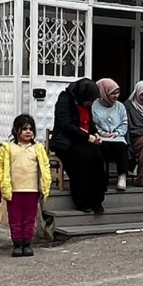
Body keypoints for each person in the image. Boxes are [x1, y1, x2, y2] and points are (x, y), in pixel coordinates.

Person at [0, 113, 54, 257]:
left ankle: (27, 243)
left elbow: (45, 166)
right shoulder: (7, 147)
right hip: (14, 190)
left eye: (31, 129)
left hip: (32, 189)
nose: (28, 132)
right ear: (16, 130)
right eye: (24, 129)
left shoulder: (37, 148)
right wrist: (1, 183)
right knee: (15, 218)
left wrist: (45, 185)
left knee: (29, 218)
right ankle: (17, 244)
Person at [51, 78, 107, 215]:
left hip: (84, 141)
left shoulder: (86, 103)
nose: (90, 103)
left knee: (98, 158)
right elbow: (66, 125)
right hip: (67, 142)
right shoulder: (65, 99)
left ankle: (97, 200)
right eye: (90, 100)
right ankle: (81, 200)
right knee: (82, 160)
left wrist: (96, 134)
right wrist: (87, 137)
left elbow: (90, 123)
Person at [91, 78, 130, 191]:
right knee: (101, 147)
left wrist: (117, 133)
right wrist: (102, 133)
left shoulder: (120, 106)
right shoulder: (94, 106)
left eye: (117, 92)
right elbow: (93, 123)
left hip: (117, 137)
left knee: (121, 147)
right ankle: (100, 177)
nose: (116, 96)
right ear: (104, 92)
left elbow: (124, 123)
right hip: (101, 137)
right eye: (112, 93)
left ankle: (122, 176)